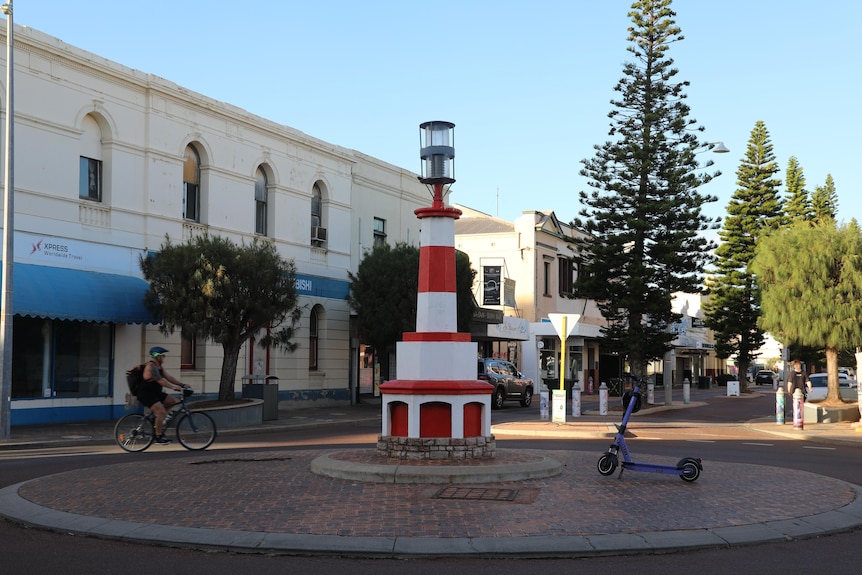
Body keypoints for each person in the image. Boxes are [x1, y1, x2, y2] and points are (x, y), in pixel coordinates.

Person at [137, 346, 185, 444]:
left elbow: (168, 377)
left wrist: (181, 384)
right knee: (161, 412)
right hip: (146, 394)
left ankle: (158, 421)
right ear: (157, 356)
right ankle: (158, 436)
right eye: (162, 355)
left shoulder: (159, 367)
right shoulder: (150, 367)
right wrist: (172, 387)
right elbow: (160, 380)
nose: (164, 357)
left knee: (173, 402)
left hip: (156, 393)